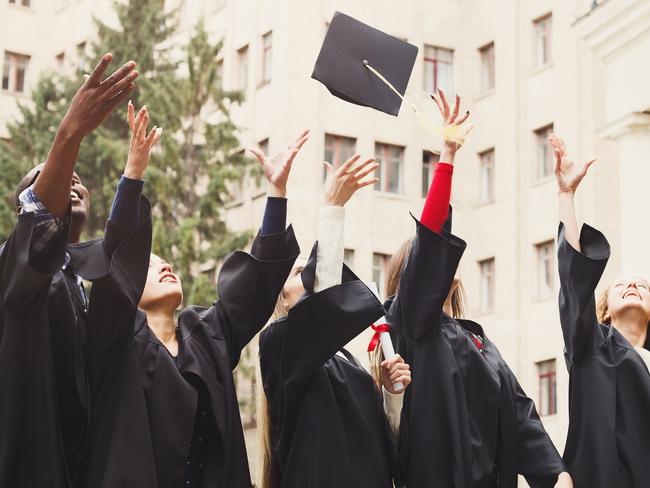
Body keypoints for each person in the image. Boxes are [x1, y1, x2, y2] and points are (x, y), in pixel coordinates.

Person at [77, 129, 306, 488]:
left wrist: (276, 195)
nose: (165, 266)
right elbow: (117, 260)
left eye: (166, 261)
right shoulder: (114, 340)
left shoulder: (205, 334)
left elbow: (254, 288)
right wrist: (133, 173)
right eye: (150, 265)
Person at [386, 90, 571, 488]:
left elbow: (520, 416)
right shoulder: (415, 325)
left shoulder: (479, 343)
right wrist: (447, 159)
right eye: (424, 264)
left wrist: (556, 475)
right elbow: (432, 235)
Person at [0, 53, 151, 488]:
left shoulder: (85, 285)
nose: (72, 181)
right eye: (50, 177)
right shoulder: (12, 270)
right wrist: (70, 134)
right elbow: (37, 231)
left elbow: (119, 264)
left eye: (77, 177)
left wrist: (134, 174)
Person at [258, 153, 412, 488]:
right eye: (300, 272)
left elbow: (383, 446)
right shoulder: (278, 346)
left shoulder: (346, 359)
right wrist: (332, 208)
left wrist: (391, 394)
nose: (310, 276)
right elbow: (321, 307)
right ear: (280, 295)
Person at [551, 133, 650, 487]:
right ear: (605, 312)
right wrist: (566, 196)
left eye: (643, 286)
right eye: (622, 284)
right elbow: (575, 286)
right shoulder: (591, 347)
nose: (633, 285)